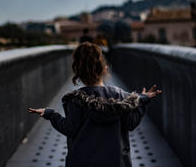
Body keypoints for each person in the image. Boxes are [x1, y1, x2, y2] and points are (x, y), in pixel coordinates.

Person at [28, 42, 161, 167]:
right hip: (115, 161)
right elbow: (130, 123)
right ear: (105, 69)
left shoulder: (75, 100)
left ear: (77, 73)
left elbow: (69, 129)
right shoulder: (121, 96)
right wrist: (142, 100)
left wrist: (50, 114)